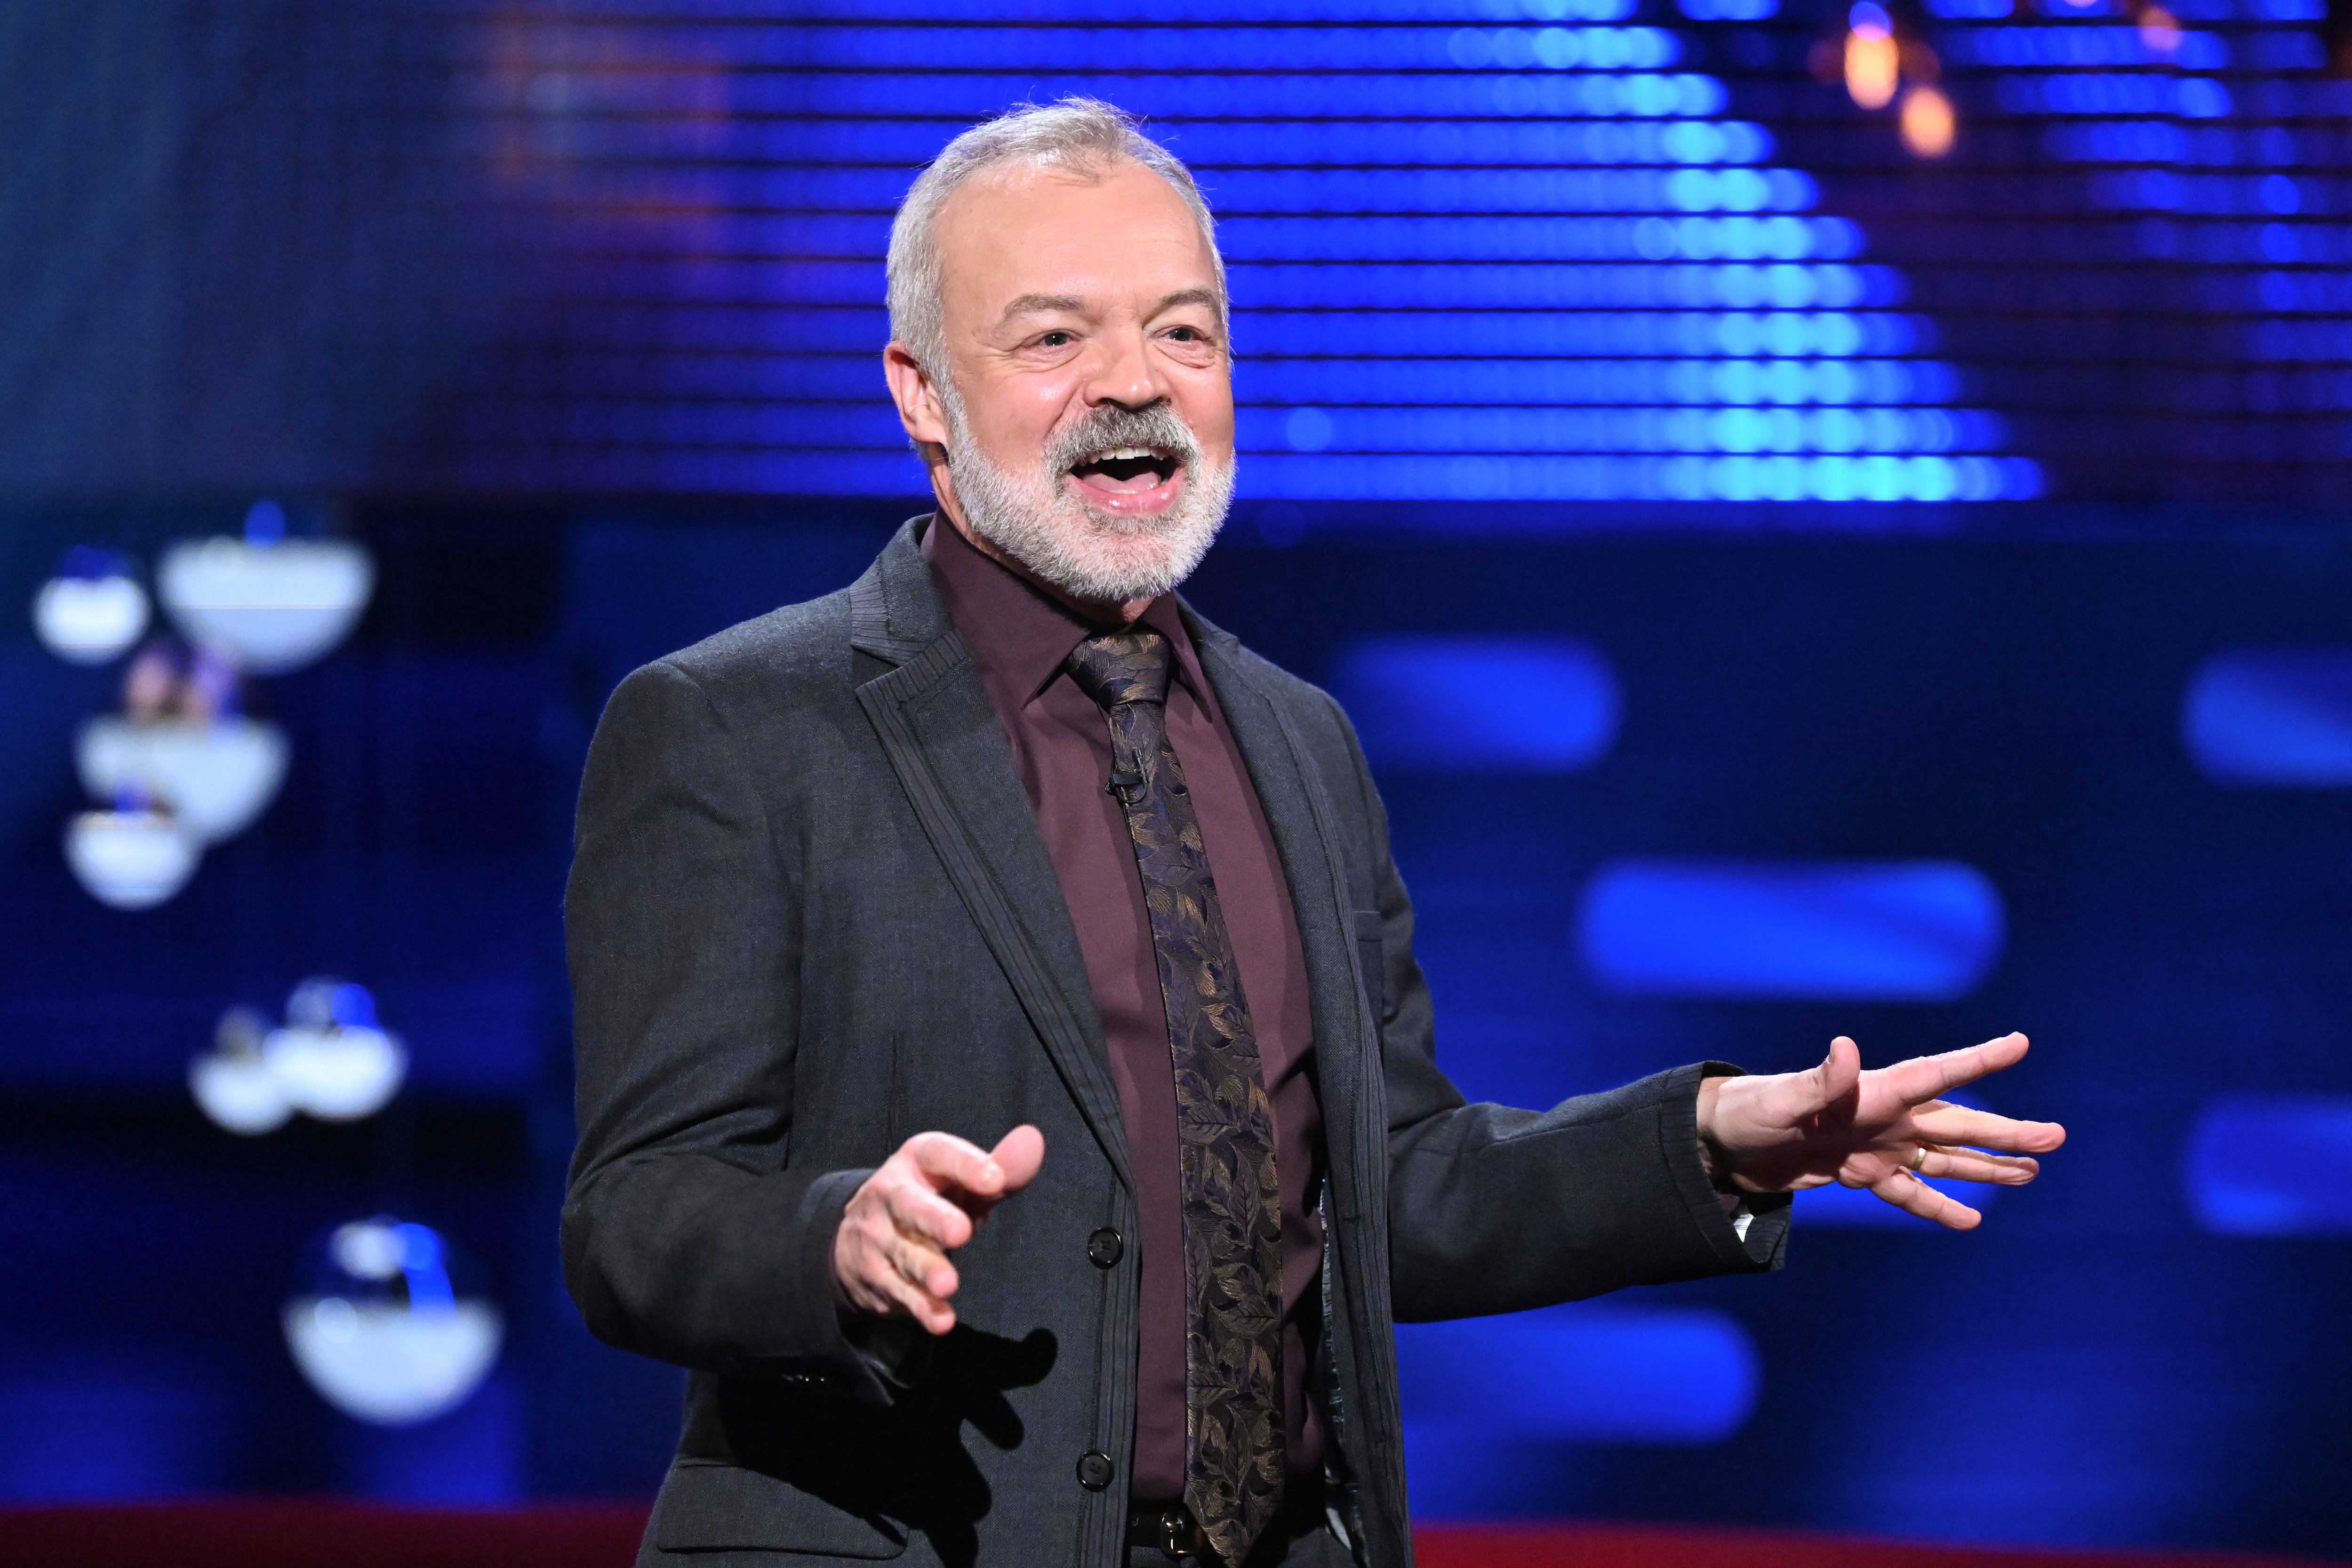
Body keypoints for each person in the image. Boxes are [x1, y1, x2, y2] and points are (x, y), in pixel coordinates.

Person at [562, 99, 2066, 1568]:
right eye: (1055, 337)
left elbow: (1396, 1187)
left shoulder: (1297, 742)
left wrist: (1711, 1140)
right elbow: (632, 1214)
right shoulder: (736, 729)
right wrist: (837, 1241)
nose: (1133, 383)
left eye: (1184, 331)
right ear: (921, 393)